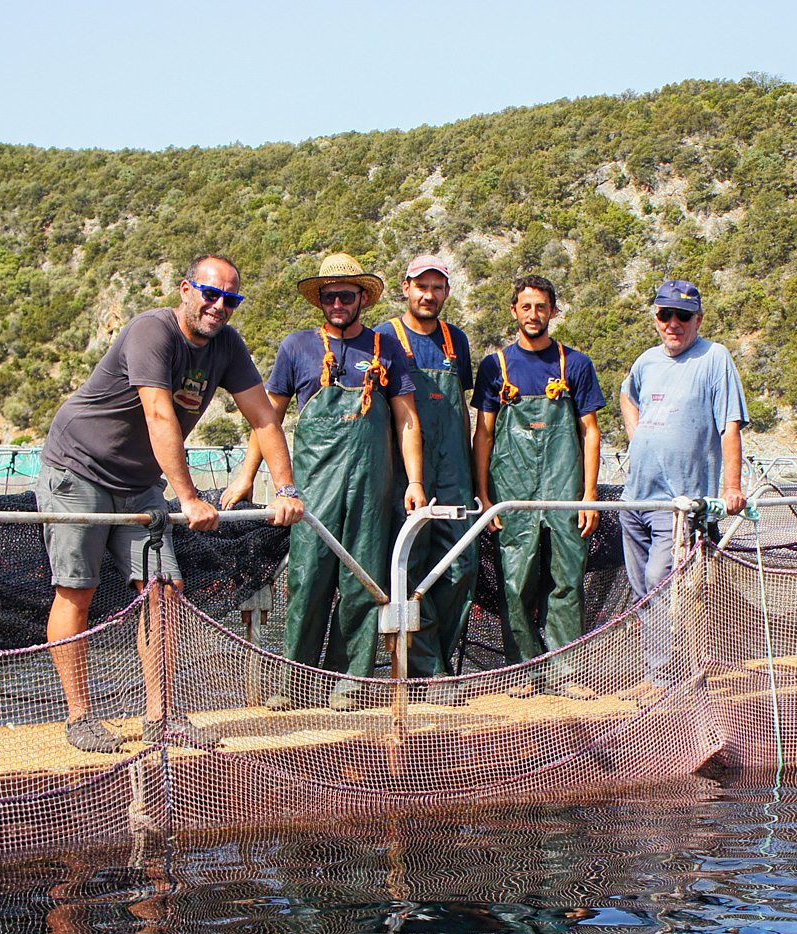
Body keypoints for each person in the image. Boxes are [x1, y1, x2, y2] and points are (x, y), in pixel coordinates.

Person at [37, 253, 304, 753]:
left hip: (138, 481)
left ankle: (163, 716)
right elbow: (160, 416)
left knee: (165, 591)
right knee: (77, 590)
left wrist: (287, 490)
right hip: (79, 469)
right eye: (211, 294)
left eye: (231, 298)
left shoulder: (227, 346)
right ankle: (79, 718)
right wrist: (187, 497)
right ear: (186, 290)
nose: (219, 306)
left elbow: (264, 420)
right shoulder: (151, 332)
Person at [221, 253, 425, 710]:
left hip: (373, 489)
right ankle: (294, 684)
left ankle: (349, 683)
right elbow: (266, 418)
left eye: (346, 295)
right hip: (313, 489)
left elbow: (407, 420)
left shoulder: (385, 348)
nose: (337, 302)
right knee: (307, 581)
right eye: (329, 295)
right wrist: (247, 474)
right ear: (320, 300)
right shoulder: (297, 347)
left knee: (364, 583)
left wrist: (414, 482)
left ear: (361, 299)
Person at [471, 275, 605, 690]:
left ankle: (569, 674)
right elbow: (485, 433)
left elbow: (590, 431)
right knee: (516, 583)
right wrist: (484, 494)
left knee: (567, 581)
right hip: (513, 493)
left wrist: (589, 495)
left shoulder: (576, 364)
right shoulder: (496, 366)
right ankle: (522, 673)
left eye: (541, 307)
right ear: (514, 311)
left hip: (565, 491)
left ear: (553, 311)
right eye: (525, 307)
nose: (533, 315)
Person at [373, 254, 476, 680]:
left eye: (437, 287)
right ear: (406, 287)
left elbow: (464, 410)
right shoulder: (383, 338)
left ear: (447, 292)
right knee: (409, 566)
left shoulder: (458, 341)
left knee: (460, 567)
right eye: (421, 286)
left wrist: (468, 467)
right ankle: (426, 671)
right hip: (404, 472)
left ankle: (438, 660)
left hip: (454, 467)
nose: (428, 295)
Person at [619, 280, 748, 604]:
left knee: (660, 581)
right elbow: (626, 394)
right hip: (635, 498)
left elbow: (730, 426)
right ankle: (658, 658)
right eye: (665, 315)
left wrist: (732, 487)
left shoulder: (715, 358)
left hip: (679, 503)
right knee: (641, 593)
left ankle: (677, 657)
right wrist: (637, 439)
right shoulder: (646, 361)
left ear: (699, 319)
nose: (673, 323)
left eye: (683, 316)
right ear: (656, 317)